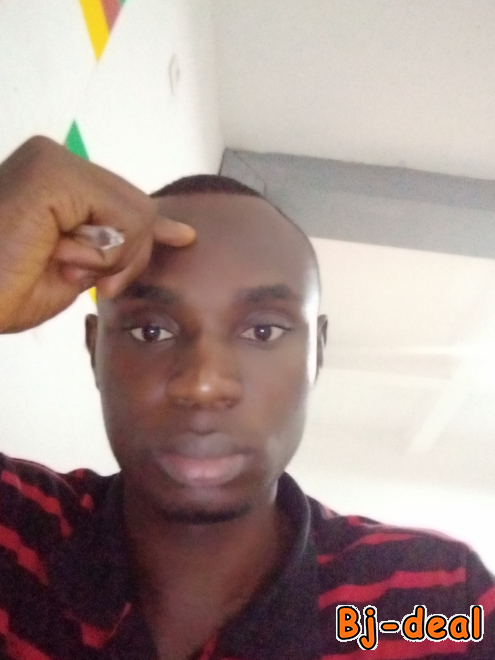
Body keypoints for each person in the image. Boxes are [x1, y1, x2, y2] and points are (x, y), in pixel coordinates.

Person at [0, 136, 493, 660]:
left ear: (316, 353)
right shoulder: (12, 529)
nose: (202, 384)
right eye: (151, 331)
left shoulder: (433, 598)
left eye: (263, 332)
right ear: (95, 349)